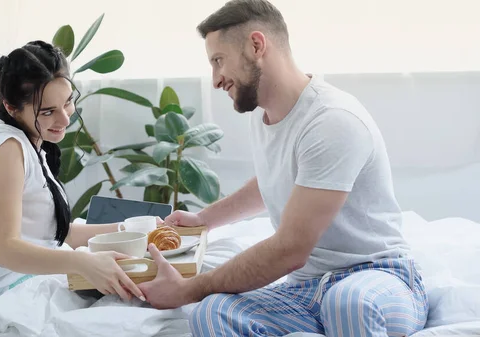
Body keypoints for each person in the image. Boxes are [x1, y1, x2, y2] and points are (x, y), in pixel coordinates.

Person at [137, 1, 429, 336]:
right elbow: (276, 181)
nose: (216, 79)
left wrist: (188, 288)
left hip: (378, 279)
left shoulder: (332, 121)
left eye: (219, 61)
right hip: (307, 290)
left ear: (256, 45)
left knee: (347, 303)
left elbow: (290, 249)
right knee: (212, 313)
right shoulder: (265, 117)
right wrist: (204, 220)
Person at [0, 40, 148, 309]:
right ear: (11, 107)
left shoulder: (31, 143)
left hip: (39, 282)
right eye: (48, 111)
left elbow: (58, 234)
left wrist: (137, 230)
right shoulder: (8, 150)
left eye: (68, 102)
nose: (65, 119)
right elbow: (7, 249)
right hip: (16, 297)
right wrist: (83, 262)